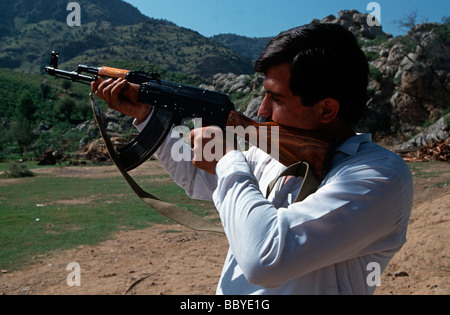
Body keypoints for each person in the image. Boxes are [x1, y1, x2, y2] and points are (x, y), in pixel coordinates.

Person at [92, 23, 413, 295]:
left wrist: (228, 158)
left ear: (326, 109)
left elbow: (265, 258)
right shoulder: (272, 149)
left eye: (275, 98)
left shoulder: (380, 175)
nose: (261, 110)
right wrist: (148, 117)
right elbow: (196, 179)